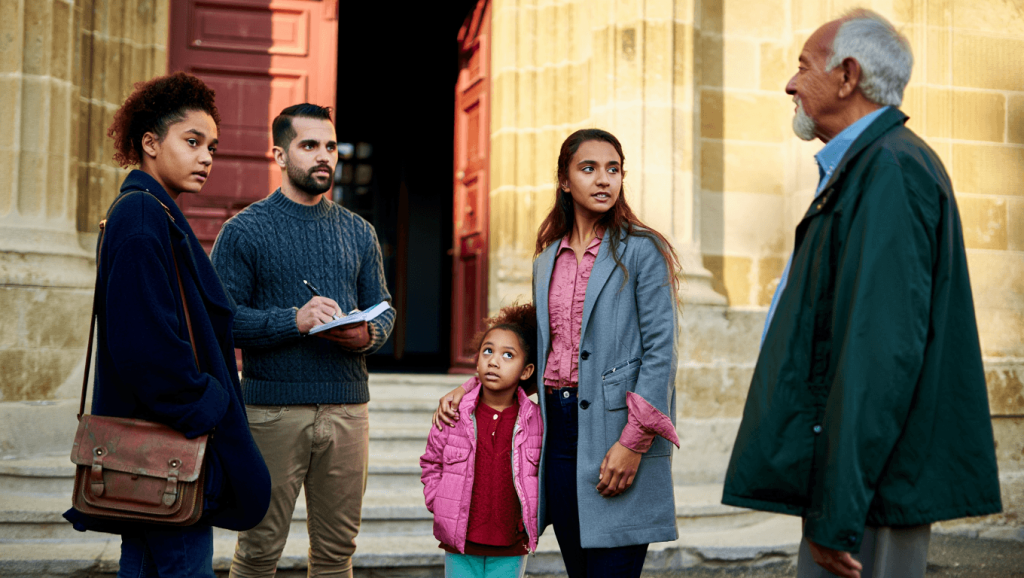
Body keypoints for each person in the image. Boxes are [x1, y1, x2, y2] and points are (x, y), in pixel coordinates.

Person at [721, 9, 1002, 578]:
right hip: (858, 483)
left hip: (871, 490)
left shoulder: (890, 170)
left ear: (847, 76)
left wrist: (838, 513)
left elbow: (879, 355)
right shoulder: (870, 165)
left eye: (804, 66)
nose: (791, 84)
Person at [435, 129, 682, 577]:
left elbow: (661, 352)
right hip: (558, 431)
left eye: (613, 169)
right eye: (589, 169)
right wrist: (473, 388)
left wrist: (633, 443)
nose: (604, 179)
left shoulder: (643, 250)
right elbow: (545, 352)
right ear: (565, 180)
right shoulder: (547, 259)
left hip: (617, 428)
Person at [62, 72, 272, 577]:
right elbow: (144, 348)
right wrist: (208, 405)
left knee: (145, 566)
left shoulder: (152, 213)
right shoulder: (142, 219)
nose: (207, 158)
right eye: (192, 142)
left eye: (212, 147)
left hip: (154, 454)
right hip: (168, 452)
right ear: (150, 143)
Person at [211, 103, 395, 578]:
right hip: (271, 412)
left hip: (347, 410)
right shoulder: (243, 231)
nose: (324, 156)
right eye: (309, 145)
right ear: (279, 154)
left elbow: (384, 308)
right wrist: (293, 320)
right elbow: (221, 322)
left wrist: (367, 333)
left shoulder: (359, 231)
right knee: (258, 551)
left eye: (330, 146)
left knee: (337, 553)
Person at [420, 303, 543, 578]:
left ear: (526, 371)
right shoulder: (454, 414)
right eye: (488, 351)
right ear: (477, 360)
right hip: (461, 543)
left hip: (512, 545)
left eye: (508, 355)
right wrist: (440, 503)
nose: (494, 361)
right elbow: (431, 463)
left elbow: (543, 476)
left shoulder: (536, 422)